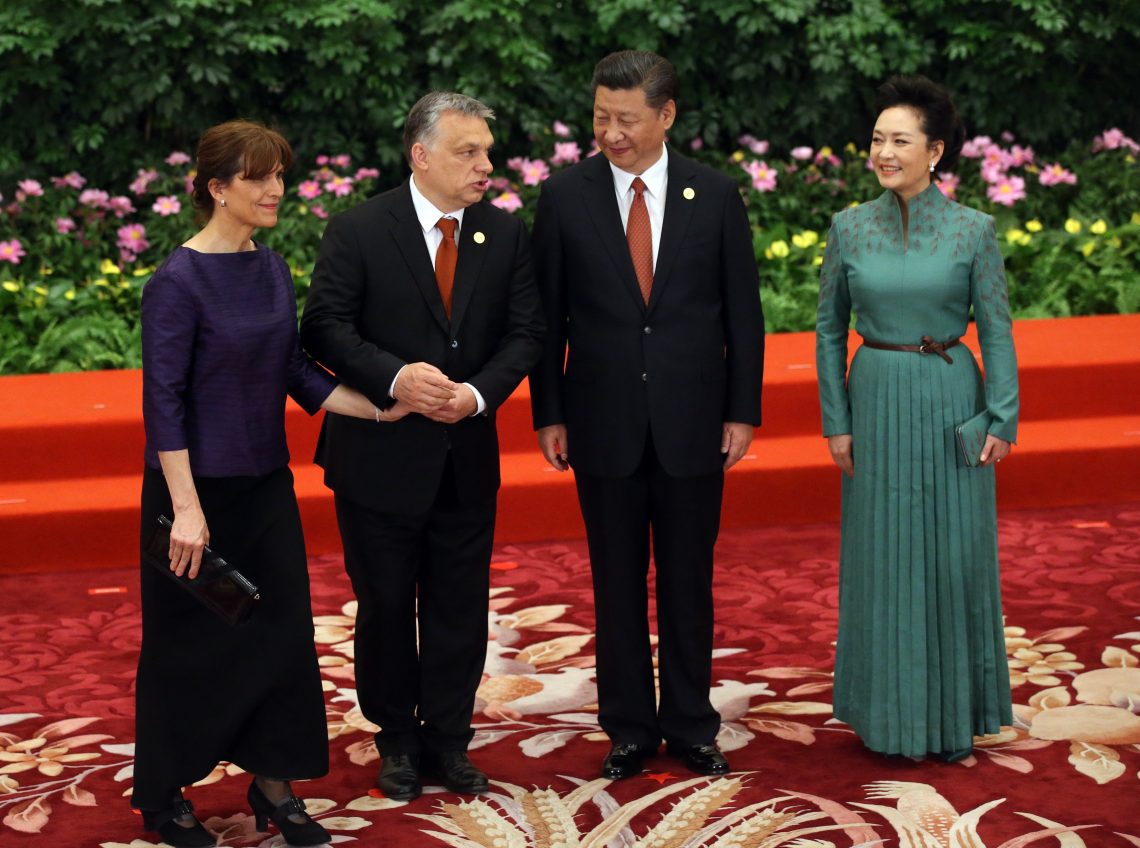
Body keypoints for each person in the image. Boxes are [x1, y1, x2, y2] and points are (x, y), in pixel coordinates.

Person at [136, 120, 386, 847]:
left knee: (281, 641)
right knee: (189, 647)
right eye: (259, 177)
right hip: (193, 496)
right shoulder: (176, 283)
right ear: (217, 188)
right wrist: (187, 509)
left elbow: (294, 371)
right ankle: (165, 797)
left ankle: (274, 788)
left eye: (280, 175)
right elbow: (162, 402)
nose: (277, 189)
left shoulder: (272, 268)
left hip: (265, 490)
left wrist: (383, 406)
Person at [299, 92, 544, 801]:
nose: (485, 165)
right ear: (421, 155)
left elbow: (526, 332)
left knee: (459, 606)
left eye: (487, 151)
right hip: (377, 459)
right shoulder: (358, 229)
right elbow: (325, 326)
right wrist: (395, 377)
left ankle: (449, 738)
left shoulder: (504, 233)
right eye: (468, 152)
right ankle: (397, 739)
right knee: (383, 606)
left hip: (465, 457)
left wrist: (477, 395)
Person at [528, 50, 765, 780]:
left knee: (689, 581)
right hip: (601, 422)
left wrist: (742, 410)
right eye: (601, 117)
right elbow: (546, 319)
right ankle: (628, 727)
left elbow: (743, 313)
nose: (611, 133)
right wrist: (548, 411)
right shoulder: (564, 197)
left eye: (626, 119)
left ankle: (691, 723)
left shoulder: (714, 195)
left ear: (666, 115)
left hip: (694, 421)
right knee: (616, 584)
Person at [815, 75, 1019, 761]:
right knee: (882, 558)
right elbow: (827, 330)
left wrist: (1002, 416)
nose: (884, 152)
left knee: (954, 558)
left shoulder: (973, 230)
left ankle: (955, 717)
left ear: (935, 151)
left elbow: (996, 329)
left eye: (900, 140)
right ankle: (884, 717)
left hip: (953, 399)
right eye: (877, 139)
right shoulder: (848, 227)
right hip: (874, 398)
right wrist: (836, 420)